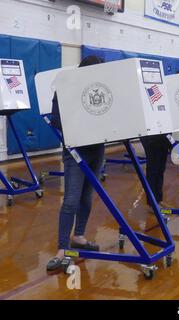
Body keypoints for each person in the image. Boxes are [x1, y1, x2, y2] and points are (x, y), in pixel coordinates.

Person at [47, 55, 106, 272]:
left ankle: (79, 236)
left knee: (87, 198)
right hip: (75, 151)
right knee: (71, 199)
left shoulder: (100, 88)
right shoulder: (65, 88)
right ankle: (62, 248)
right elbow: (56, 120)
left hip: (97, 149)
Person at [139, 70, 179, 210]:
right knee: (154, 169)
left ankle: (157, 200)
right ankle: (152, 202)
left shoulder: (176, 93)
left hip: (163, 136)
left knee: (160, 169)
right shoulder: (159, 91)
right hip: (152, 136)